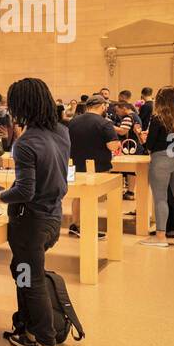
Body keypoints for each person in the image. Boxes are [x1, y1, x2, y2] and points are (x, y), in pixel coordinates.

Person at [0, 78, 70, 346]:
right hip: (51, 216)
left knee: (31, 277)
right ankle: (27, 329)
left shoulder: (26, 142)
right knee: (22, 272)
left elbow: (25, 190)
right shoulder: (61, 132)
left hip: (30, 220)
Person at [141, 86, 174, 247]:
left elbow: (150, 144)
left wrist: (144, 139)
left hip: (161, 160)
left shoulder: (158, 117)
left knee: (160, 198)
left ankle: (160, 237)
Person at [66, 96, 119, 239]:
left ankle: (75, 224)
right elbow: (112, 145)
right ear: (102, 106)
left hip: (75, 164)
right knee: (91, 197)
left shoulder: (73, 122)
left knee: (78, 196)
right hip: (97, 166)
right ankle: (87, 228)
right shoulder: (105, 123)